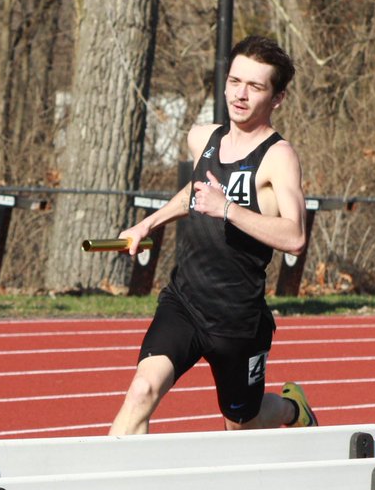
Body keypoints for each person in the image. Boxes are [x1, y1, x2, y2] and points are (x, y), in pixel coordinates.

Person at [109, 35, 317, 435]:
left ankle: (292, 409)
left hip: (237, 320)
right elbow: (196, 191)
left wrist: (228, 210)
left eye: (255, 87)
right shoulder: (202, 137)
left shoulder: (278, 157)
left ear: (277, 99)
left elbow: (294, 236)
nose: (240, 95)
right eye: (235, 82)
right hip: (184, 303)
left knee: (243, 424)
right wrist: (147, 224)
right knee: (141, 391)